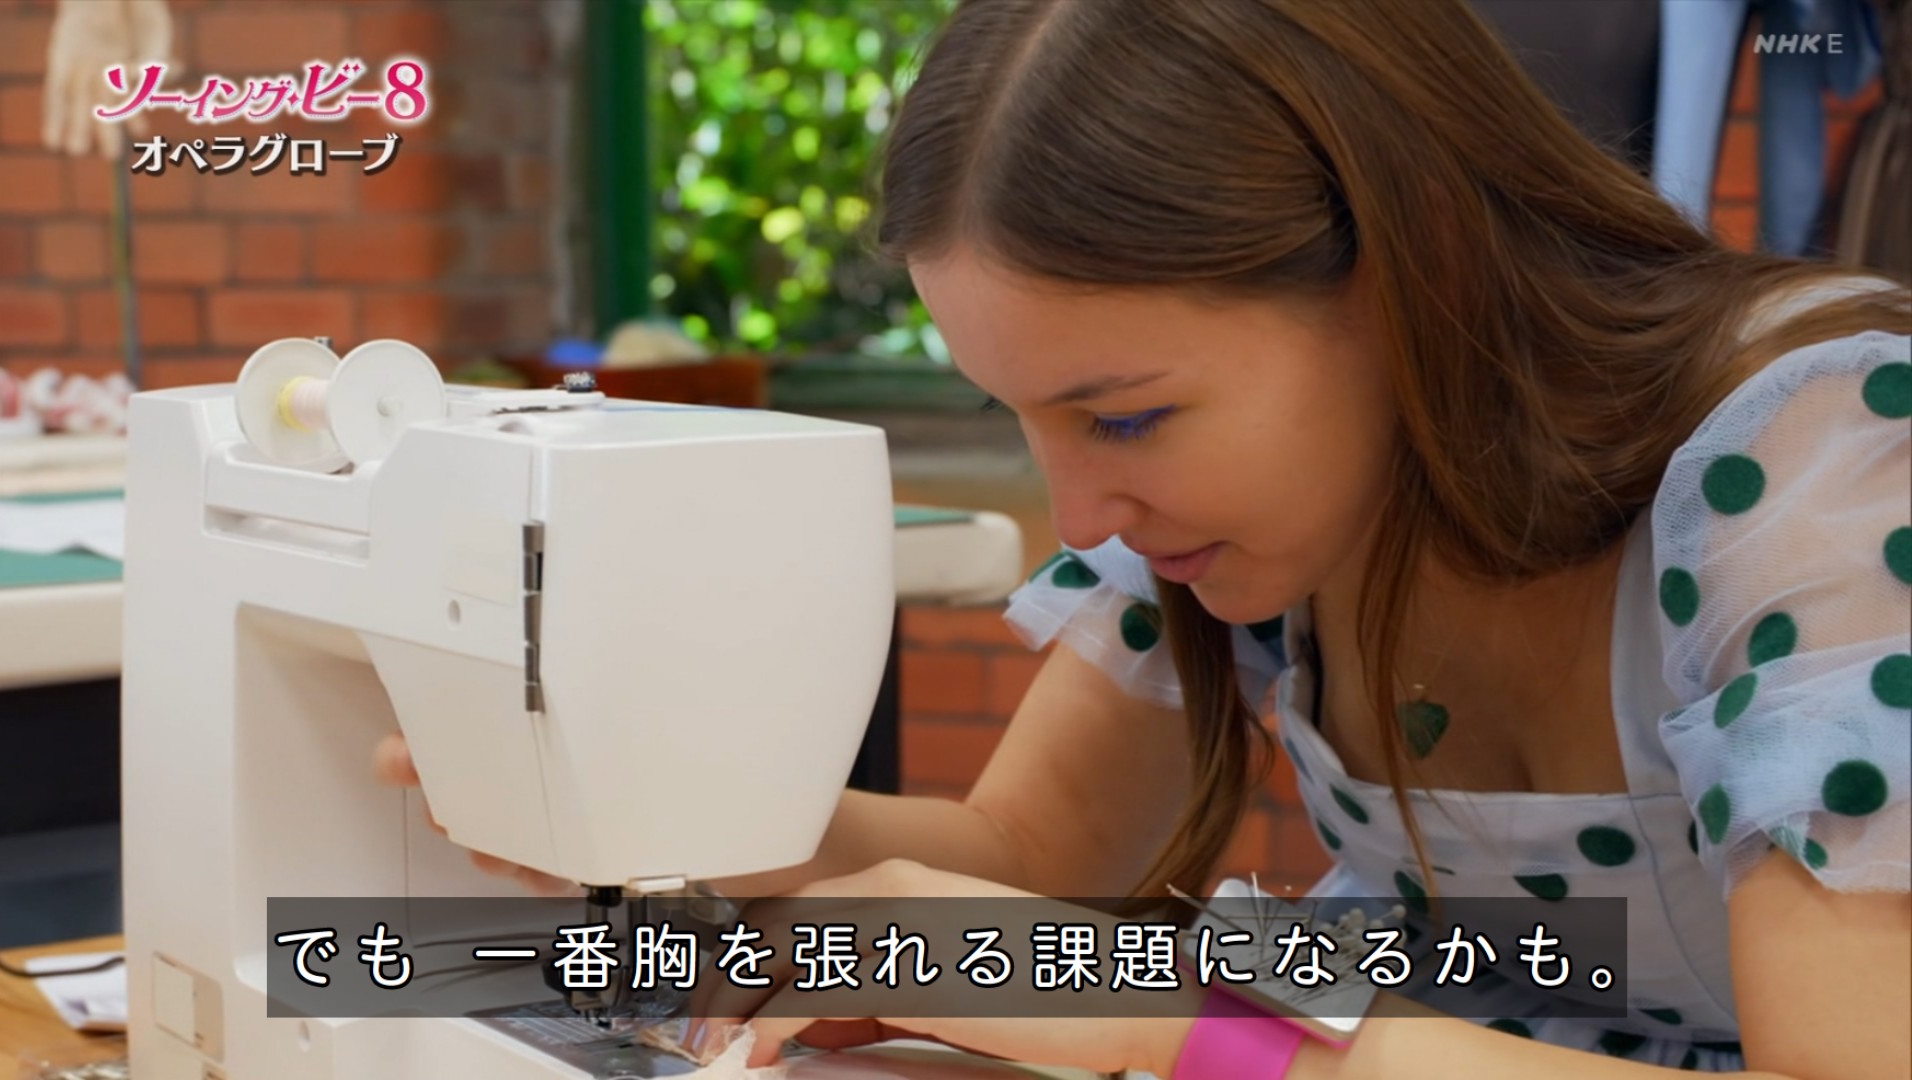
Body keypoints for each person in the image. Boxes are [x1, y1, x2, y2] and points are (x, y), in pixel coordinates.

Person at [374, 0, 1912, 1075]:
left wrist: (1180, 1019)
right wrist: (674, 803)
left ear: (1410, 275)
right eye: (1021, 417)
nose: (1075, 517)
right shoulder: (1254, 515)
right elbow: (1032, 858)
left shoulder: (1816, 462)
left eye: (1121, 419)